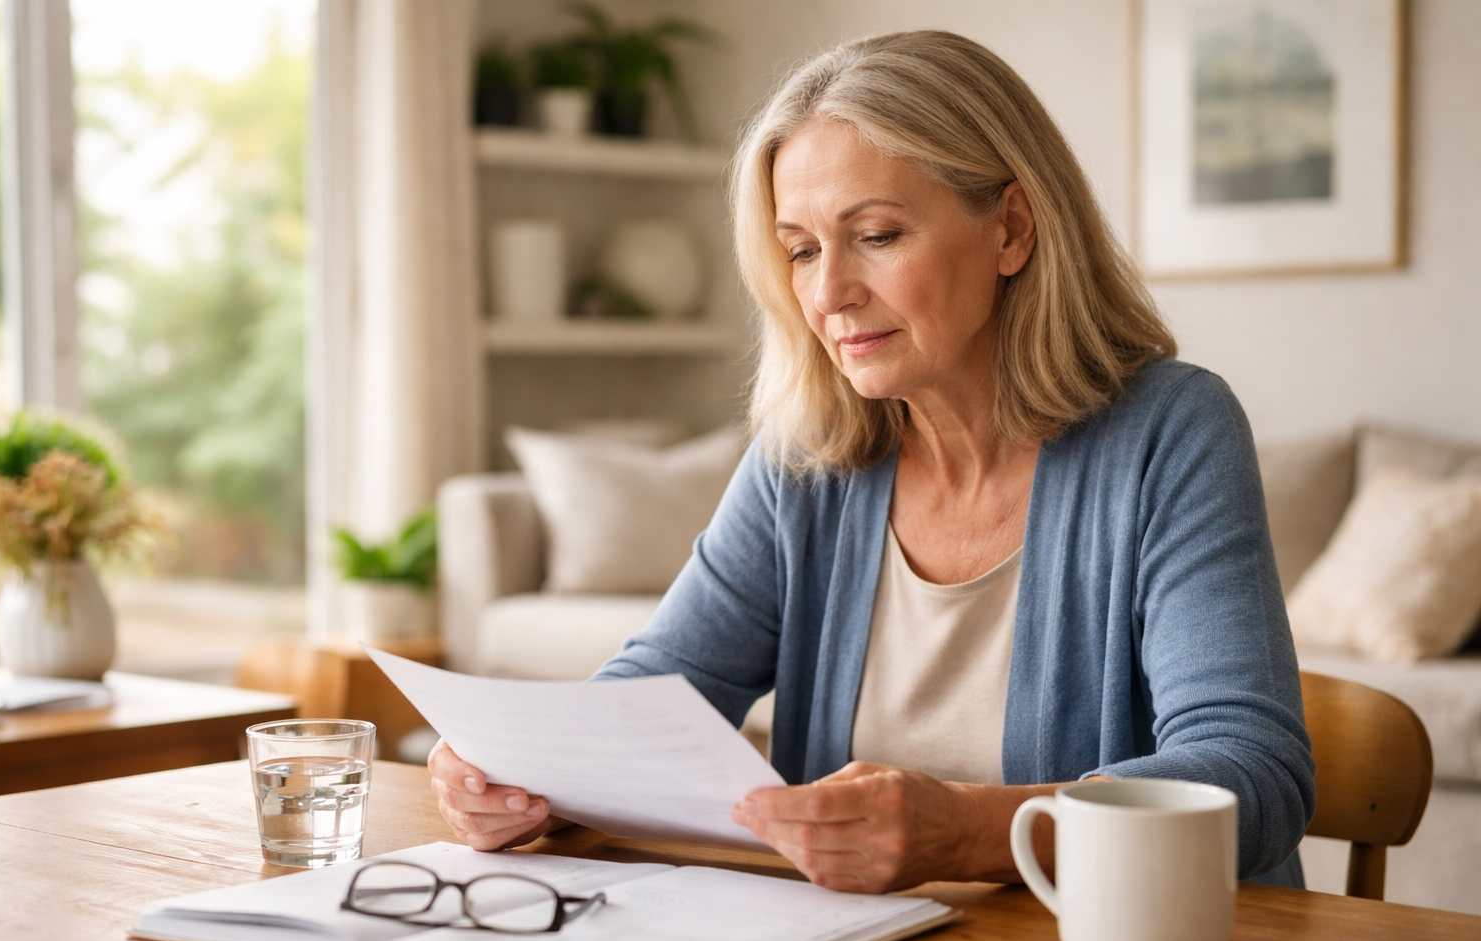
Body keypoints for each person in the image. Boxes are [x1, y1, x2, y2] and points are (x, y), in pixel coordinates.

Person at [428, 30, 1315, 893]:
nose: (828, 293)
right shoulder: (805, 460)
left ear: (1011, 229)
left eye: (879, 235)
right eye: (802, 250)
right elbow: (655, 694)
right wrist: (518, 768)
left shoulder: (1172, 431)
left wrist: (973, 831)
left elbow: (1251, 775)